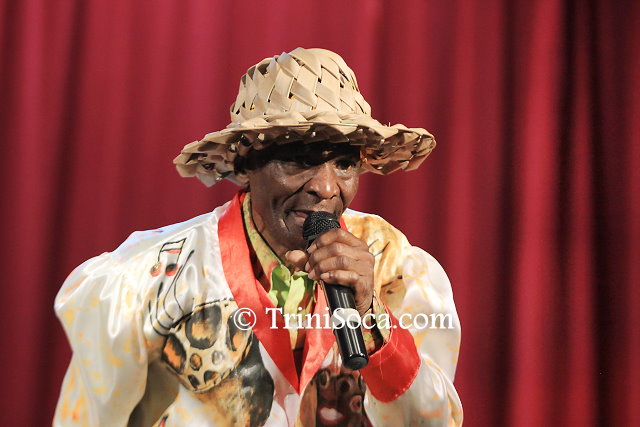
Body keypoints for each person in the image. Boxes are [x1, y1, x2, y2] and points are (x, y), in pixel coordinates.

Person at [54, 47, 463, 426]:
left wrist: (373, 319)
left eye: (343, 163)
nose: (326, 188)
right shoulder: (147, 281)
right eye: (300, 158)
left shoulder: (394, 265)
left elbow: (434, 420)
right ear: (246, 164)